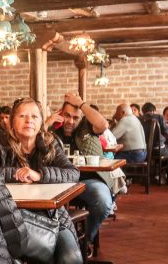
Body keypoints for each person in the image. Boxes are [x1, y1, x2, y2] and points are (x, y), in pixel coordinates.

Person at [0, 98, 84, 264]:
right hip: (10, 219)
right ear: (11, 122)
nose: (28, 120)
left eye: (34, 116)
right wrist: (16, 173)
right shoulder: (0, 144)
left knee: (73, 259)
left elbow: (72, 173)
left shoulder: (51, 143)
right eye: (22, 116)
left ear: (42, 122)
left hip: (51, 216)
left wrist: (39, 174)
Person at [46, 92, 119, 244]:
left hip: (88, 181)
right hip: (58, 181)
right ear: (60, 114)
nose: (70, 121)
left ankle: (82, 243)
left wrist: (81, 104)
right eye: (67, 115)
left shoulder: (87, 125)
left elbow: (103, 125)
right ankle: (56, 244)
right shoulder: (53, 129)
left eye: (75, 117)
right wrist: (46, 123)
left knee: (103, 202)